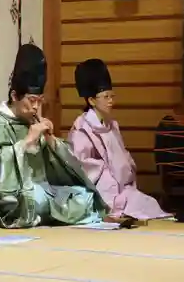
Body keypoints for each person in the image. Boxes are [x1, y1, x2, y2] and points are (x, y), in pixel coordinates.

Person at [0, 44, 108, 228]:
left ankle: (44, 214)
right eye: (31, 100)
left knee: (85, 196)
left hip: (44, 190)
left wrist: (52, 142)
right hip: (13, 197)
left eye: (39, 101)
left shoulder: (33, 121)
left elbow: (62, 170)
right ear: (14, 96)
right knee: (34, 198)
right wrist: (26, 142)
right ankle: (44, 214)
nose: (36, 107)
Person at [67, 59, 171, 220]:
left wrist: (125, 168)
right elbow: (80, 165)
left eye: (112, 96)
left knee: (148, 204)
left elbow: (123, 156)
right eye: (105, 96)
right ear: (92, 100)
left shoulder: (112, 125)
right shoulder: (81, 129)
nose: (110, 101)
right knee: (138, 206)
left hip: (122, 187)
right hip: (101, 190)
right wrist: (107, 172)